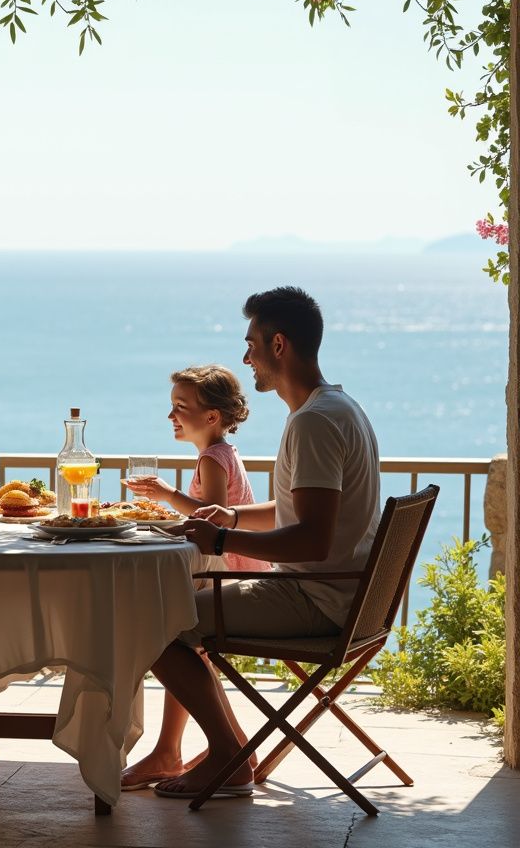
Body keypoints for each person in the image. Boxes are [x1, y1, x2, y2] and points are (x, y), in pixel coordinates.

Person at [150, 287, 381, 799]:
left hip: (315, 599)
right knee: (169, 611)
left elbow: (313, 538)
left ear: (278, 345)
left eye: (251, 342)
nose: (245, 356)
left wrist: (224, 536)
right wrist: (230, 513)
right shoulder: (338, 408)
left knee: (153, 619)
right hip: (344, 596)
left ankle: (229, 758)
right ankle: (227, 751)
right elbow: (300, 509)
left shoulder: (314, 423)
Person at [122, 365, 267, 790]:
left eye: (181, 407)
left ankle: (173, 752)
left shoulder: (213, 458)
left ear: (212, 417)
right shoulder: (222, 454)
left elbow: (212, 520)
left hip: (223, 577)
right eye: (172, 406)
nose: (172, 416)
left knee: (168, 627)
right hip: (222, 575)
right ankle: (230, 746)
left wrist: (167, 496)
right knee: (185, 639)